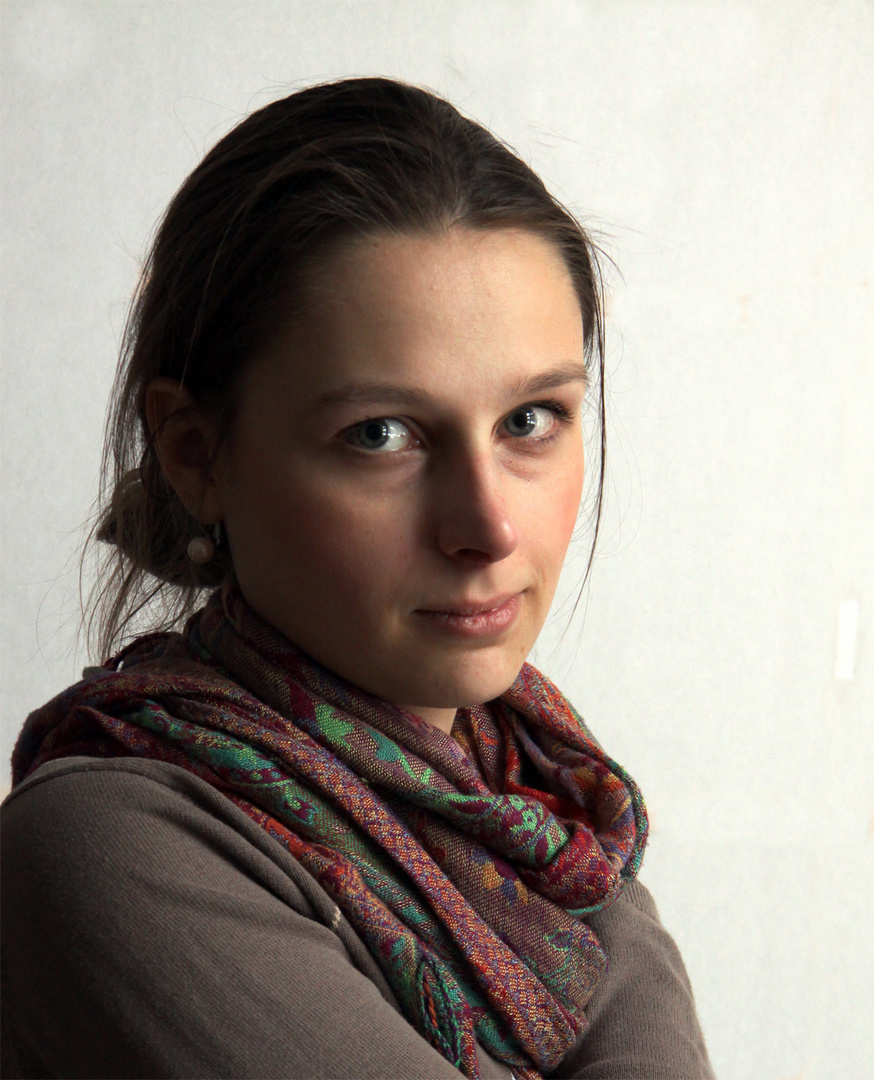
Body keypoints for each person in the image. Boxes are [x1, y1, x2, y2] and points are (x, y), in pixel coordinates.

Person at [1, 78, 714, 1080]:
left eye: (530, 419)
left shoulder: (553, 809)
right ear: (196, 452)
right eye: (381, 435)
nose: (487, 525)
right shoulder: (108, 845)